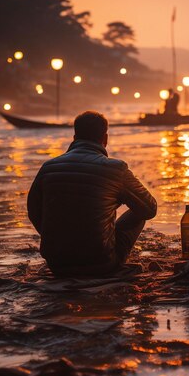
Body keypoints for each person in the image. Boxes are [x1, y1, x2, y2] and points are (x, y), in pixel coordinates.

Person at [27, 111, 157, 276]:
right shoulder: (116, 168)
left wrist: (61, 237)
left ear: (74, 138)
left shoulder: (48, 167)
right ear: (105, 139)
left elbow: (34, 211)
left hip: (57, 264)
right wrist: (117, 201)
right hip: (100, 263)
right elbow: (150, 209)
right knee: (140, 211)